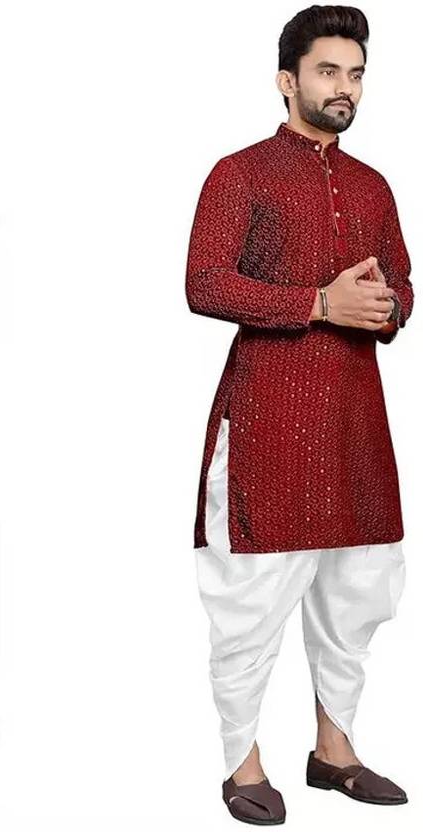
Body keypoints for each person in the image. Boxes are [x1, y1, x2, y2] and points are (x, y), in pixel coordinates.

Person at [185, 5, 413, 824]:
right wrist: (317, 302)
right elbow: (205, 282)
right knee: (250, 595)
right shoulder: (239, 173)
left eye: (354, 74)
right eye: (327, 71)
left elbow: (402, 283)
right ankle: (241, 761)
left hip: (355, 422)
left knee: (359, 588)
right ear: (287, 80)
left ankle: (333, 750)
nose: (343, 87)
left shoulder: (371, 185)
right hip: (269, 419)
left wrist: (386, 306)